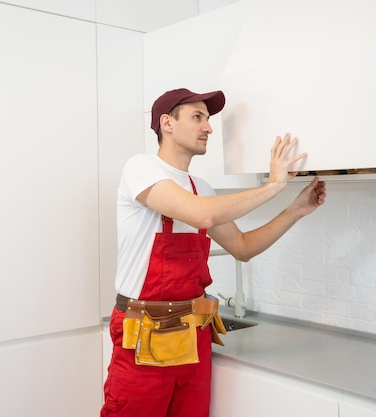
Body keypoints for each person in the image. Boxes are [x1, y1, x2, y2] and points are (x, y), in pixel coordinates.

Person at [100, 88, 326, 417]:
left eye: (208, 119)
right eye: (197, 117)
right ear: (167, 123)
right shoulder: (142, 169)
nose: (208, 127)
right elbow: (201, 215)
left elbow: (243, 247)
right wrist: (273, 186)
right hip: (143, 336)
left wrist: (295, 210)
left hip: (193, 337)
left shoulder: (200, 189)